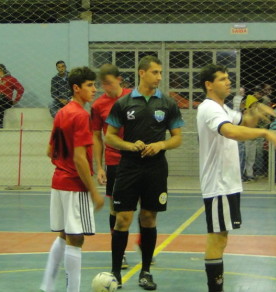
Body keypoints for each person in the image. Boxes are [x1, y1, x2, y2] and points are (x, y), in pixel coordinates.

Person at [196, 64, 276, 292]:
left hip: (228, 183)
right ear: (209, 85)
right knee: (217, 237)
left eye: (228, 78)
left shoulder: (223, 109)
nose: (228, 82)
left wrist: (256, 111)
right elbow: (231, 131)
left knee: (221, 236)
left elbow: (243, 122)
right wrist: (264, 132)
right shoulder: (209, 108)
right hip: (218, 183)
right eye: (222, 79)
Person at [105, 56, 184, 290]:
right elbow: (109, 135)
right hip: (128, 167)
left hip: (155, 168)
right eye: (155, 72)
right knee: (123, 219)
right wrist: (129, 146)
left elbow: (177, 138)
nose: (159, 77)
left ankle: (146, 272)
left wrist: (161, 145)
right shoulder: (124, 103)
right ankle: (116, 272)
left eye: (160, 73)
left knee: (149, 217)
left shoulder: (168, 104)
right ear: (142, 73)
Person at [39, 66, 104, 292]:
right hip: (75, 185)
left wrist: (62, 164)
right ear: (76, 88)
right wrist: (94, 191)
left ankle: (47, 285)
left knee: (64, 235)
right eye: (89, 85)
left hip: (58, 182)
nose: (94, 89)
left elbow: (50, 151)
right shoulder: (81, 116)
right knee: (76, 239)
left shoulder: (62, 112)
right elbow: (80, 158)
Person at [90, 64, 132, 269]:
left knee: (143, 208)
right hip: (115, 161)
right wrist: (99, 166)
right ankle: (120, 252)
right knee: (116, 207)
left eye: (109, 82)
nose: (106, 87)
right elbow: (97, 137)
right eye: (102, 83)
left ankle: (145, 243)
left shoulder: (133, 97)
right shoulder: (99, 105)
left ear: (119, 79)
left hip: (138, 159)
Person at [242, 94, 262, 182]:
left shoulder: (255, 113)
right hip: (246, 137)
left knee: (251, 157)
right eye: (254, 103)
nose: (255, 105)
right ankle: (244, 174)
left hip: (253, 137)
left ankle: (250, 174)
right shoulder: (245, 113)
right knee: (245, 156)